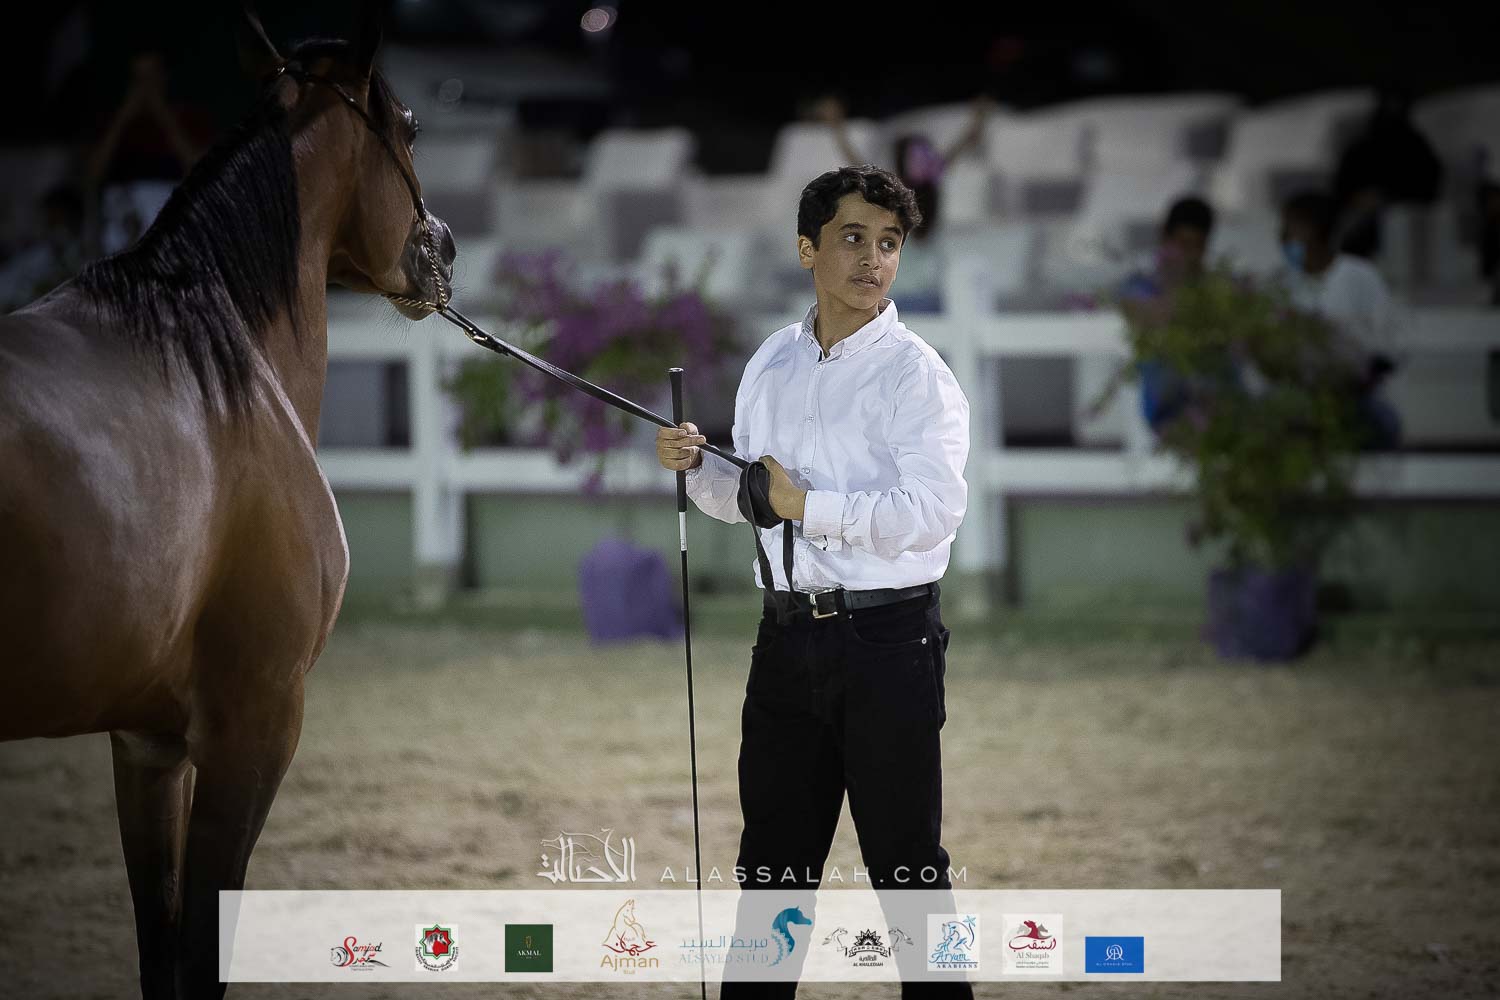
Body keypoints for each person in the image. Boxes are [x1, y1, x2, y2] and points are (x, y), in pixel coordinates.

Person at [655, 165, 972, 998]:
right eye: (853, 238)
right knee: (771, 866)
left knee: (908, 866)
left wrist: (809, 504)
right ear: (807, 249)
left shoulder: (916, 374)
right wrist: (696, 468)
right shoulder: (773, 361)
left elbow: (931, 513)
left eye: (889, 244)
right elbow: (749, 499)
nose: (873, 260)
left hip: (888, 643)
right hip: (785, 640)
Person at [812, 94, 993, 311]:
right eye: (915, 157)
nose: (921, 163)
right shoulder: (893, 196)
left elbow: (963, 145)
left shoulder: (917, 192)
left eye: (923, 157)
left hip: (924, 295)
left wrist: (979, 118)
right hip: (906, 297)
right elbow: (857, 166)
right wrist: (837, 127)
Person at [1279, 190, 1402, 449]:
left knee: (1377, 423)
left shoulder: (1360, 276)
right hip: (1298, 398)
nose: (1283, 237)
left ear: (1317, 232)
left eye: (1292, 229)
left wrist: (1352, 378)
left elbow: (1388, 347)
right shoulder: (1281, 284)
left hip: (1354, 397)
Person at [1118, 196, 1224, 432]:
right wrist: (1176, 280)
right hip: (1167, 413)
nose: (1188, 252)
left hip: (1221, 408)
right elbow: (1150, 316)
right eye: (1183, 242)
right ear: (1165, 237)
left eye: (1196, 245)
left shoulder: (1218, 289)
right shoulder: (1139, 285)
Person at [1332, 86, 1444, 260]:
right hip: (1359, 210)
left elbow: (1429, 183)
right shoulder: (1361, 147)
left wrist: (1389, 198)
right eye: (1389, 104)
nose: (1393, 110)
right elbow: (1342, 183)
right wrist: (1357, 198)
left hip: (1402, 211)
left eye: (1398, 104)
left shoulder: (1415, 147)